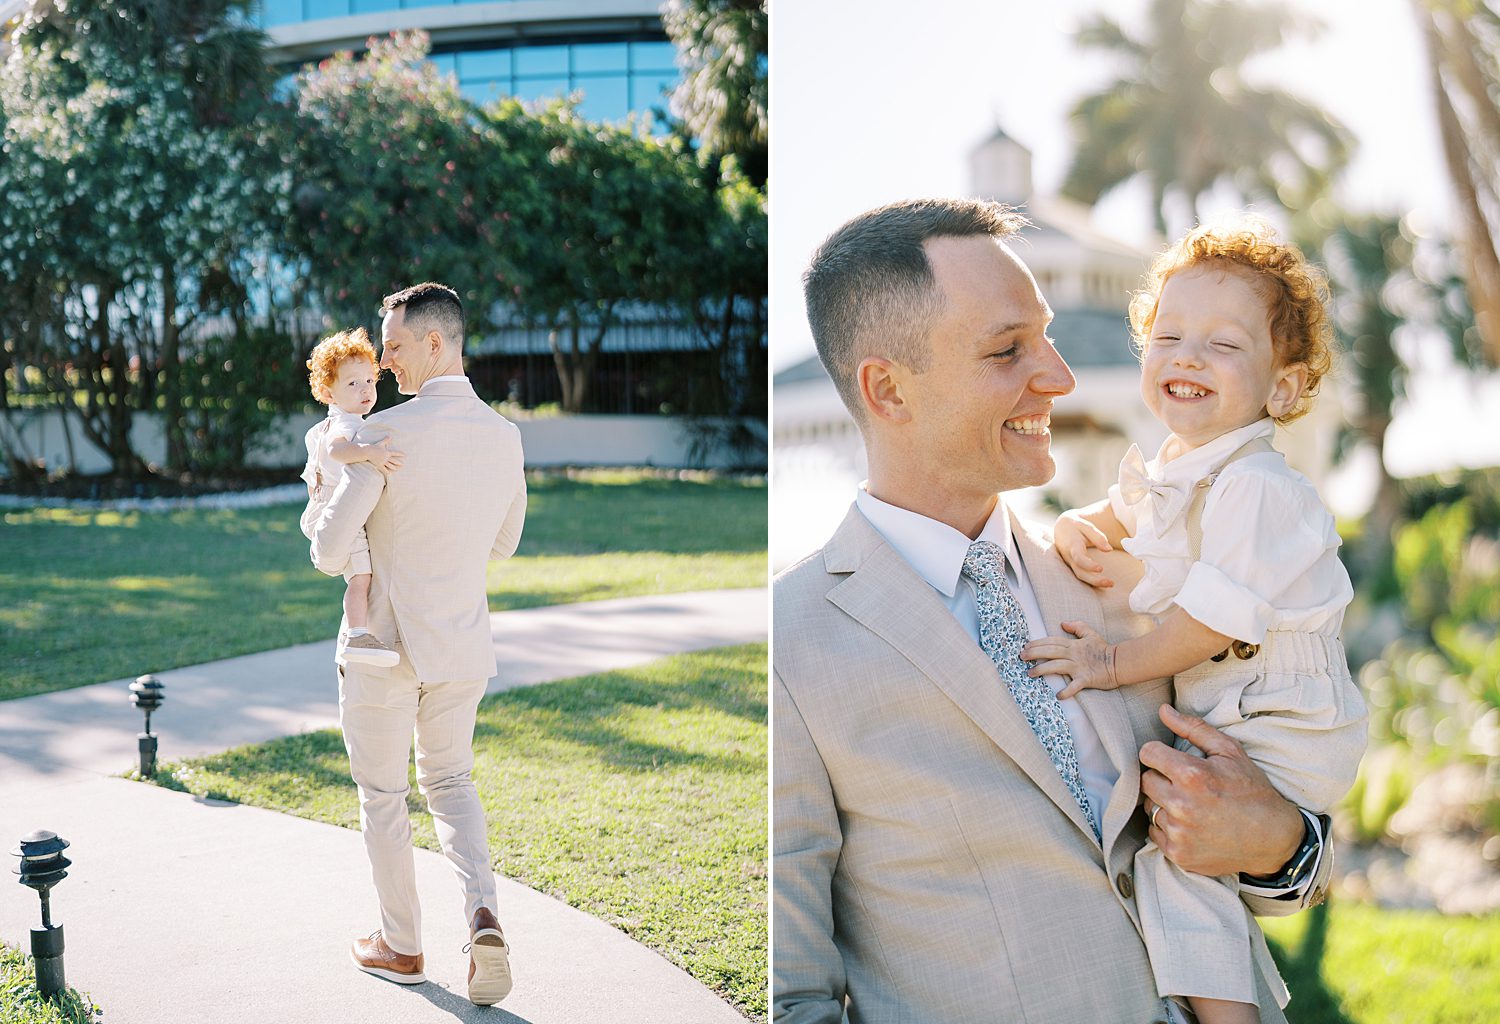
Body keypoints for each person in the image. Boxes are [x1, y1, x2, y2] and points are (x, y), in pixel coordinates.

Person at [773, 198, 1333, 1024]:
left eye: (1046, 335)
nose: (1059, 376)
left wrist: (1281, 843)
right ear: (887, 389)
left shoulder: (1138, 577)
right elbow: (796, 998)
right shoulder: (793, 640)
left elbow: (1291, 837)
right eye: (1009, 350)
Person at [1020, 220, 1367, 1024]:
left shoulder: (1259, 487)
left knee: (1178, 860)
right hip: (1236, 708)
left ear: (1281, 389)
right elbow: (1128, 514)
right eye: (1168, 334)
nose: (1186, 355)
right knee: (1180, 857)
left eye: (1223, 344)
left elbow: (1209, 621)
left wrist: (1110, 664)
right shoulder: (1181, 468)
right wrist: (1084, 523)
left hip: (1283, 716)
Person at [310, 282, 527, 1006]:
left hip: (384, 651)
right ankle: (484, 915)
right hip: (463, 644)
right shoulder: (505, 436)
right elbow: (505, 546)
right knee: (453, 783)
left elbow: (330, 548)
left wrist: (323, 507)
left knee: (383, 796)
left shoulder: (385, 434)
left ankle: (401, 945)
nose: (387, 362)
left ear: (435, 343)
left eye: (395, 345)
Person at [300, 328, 404, 668]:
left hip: (330, 507)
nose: (365, 390)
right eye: (352, 384)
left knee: (362, 573)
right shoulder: (344, 424)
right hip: (334, 508)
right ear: (328, 393)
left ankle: (358, 631)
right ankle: (356, 634)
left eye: (369, 381)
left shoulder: (350, 418)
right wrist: (370, 453)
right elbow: (338, 451)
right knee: (362, 576)